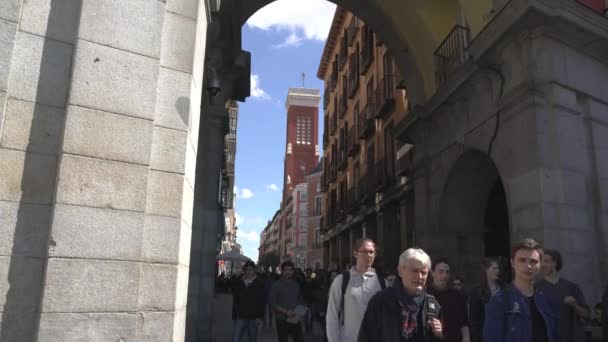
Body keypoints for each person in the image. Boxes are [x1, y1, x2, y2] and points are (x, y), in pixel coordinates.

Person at [358, 248, 444, 341]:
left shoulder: (431, 304)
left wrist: (438, 334)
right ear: (400, 271)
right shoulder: (381, 301)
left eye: (423, 272)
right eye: (414, 271)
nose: (419, 277)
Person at [483, 238, 559, 342]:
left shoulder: (546, 300)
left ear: (539, 265)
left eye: (533, 261)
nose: (528, 266)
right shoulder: (499, 301)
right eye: (522, 260)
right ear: (512, 263)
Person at [326, 238, 385, 342]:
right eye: (365, 252)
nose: (369, 255)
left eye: (372, 252)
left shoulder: (383, 283)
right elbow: (332, 316)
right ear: (355, 254)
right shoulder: (341, 281)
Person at [536, 249, 589, 342]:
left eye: (546, 261)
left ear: (555, 263)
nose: (542, 265)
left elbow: (586, 315)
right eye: (540, 262)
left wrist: (574, 305)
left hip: (570, 337)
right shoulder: (535, 288)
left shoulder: (571, 287)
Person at [427, 259, 470, 342]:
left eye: (447, 272)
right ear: (432, 273)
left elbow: (464, 322)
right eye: (441, 271)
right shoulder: (425, 294)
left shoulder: (457, 295)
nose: (444, 275)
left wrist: (466, 338)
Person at [468, 257, 504, 342]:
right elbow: (474, 320)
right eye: (494, 268)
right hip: (486, 335)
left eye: (498, 268)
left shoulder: (504, 289)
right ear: (486, 270)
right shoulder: (476, 292)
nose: (497, 271)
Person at [268, 261, 304, 342]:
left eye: (290, 270)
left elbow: (300, 301)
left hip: (295, 318)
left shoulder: (296, 285)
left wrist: (300, 312)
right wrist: (286, 311)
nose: (288, 272)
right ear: (282, 271)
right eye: (286, 270)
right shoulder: (276, 285)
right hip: (281, 319)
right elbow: (272, 302)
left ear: (293, 271)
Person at [231, 261, 267, 342]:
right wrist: (236, 277)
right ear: (244, 270)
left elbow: (261, 301)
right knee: (235, 339)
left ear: (254, 270)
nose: (249, 271)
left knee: (253, 339)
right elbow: (235, 296)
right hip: (241, 316)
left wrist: (261, 317)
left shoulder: (259, 283)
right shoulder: (239, 281)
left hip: (253, 317)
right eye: (247, 269)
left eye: (251, 269)